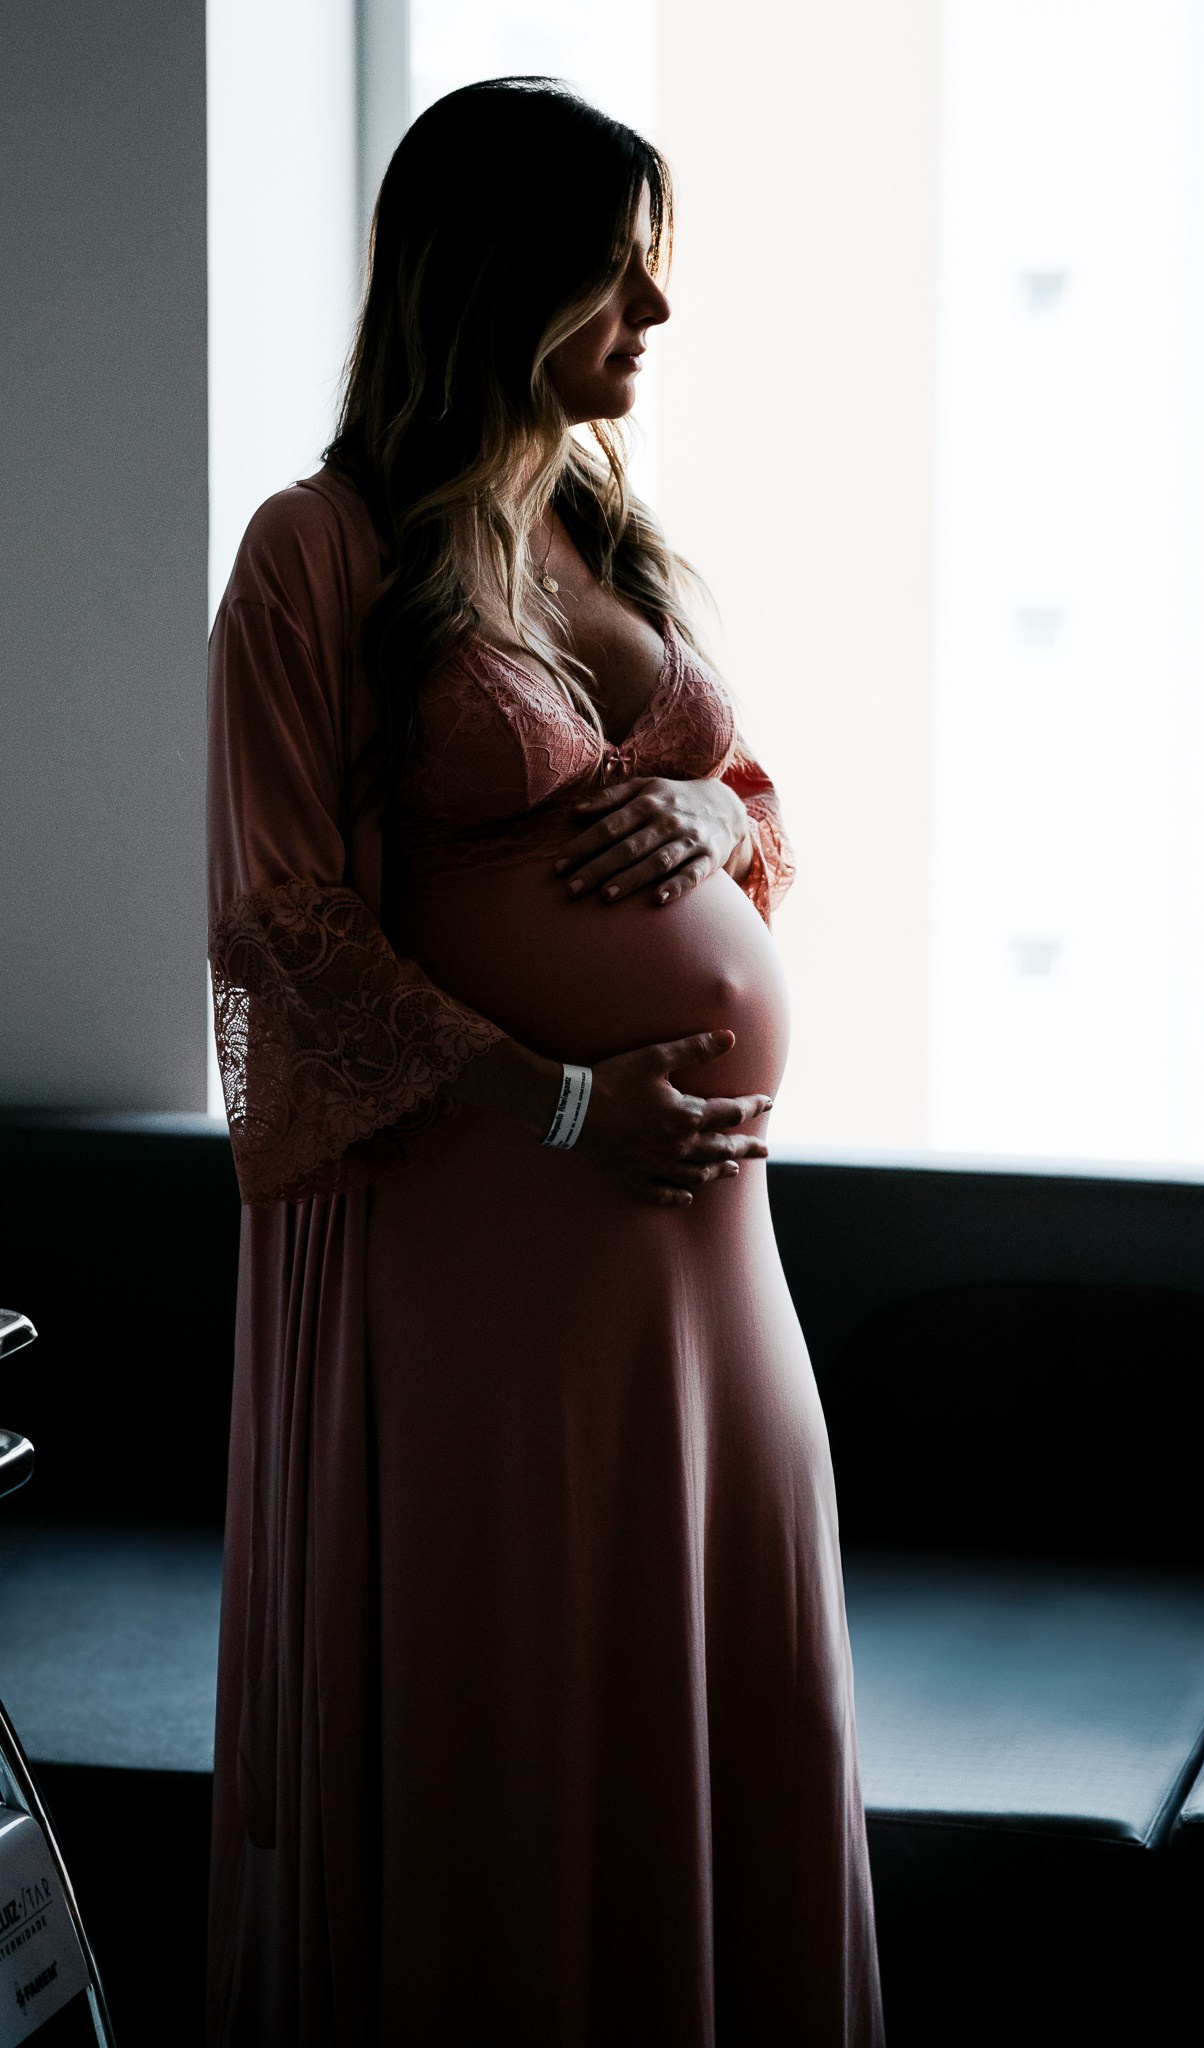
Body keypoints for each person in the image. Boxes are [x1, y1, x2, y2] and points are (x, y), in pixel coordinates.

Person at [206, 75, 885, 2047]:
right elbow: (287, 928)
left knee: (729, 1682)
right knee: (511, 1702)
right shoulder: (314, 558)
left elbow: (739, 796)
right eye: (613, 280)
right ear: (491, 286)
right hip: (483, 1241)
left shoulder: (602, 529)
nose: (650, 325)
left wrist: (709, 830)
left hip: (696, 1260)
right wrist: (572, 1100)